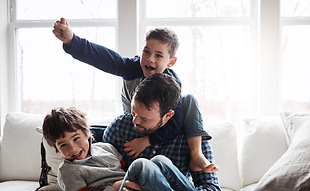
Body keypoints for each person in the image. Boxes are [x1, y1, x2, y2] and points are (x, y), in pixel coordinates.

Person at [42, 107, 239, 191]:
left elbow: (131, 178)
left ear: (87, 133)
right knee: (140, 165)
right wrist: (114, 188)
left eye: (76, 138)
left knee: (160, 161)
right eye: (63, 145)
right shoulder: (68, 172)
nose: (73, 148)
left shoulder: (107, 149)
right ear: (57, 149)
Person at [52, 17, 218, 173]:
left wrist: (146, 141)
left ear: (171, 62)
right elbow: (105, 58)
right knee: (90, 134)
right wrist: (72, 40)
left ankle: (196, 155)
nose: (149, 59)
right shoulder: (132, 68)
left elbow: (175, 123)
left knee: (189, 100)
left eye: (158, 55)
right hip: (130, 126)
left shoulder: (170, 85)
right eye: (146, 51)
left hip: (155, 130)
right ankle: (78, 171)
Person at [93, 73, 225, 191]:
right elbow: (101, 180)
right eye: (134, 112)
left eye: (144, 118)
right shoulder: (119, 128)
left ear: (168, 116)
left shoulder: (192, 138)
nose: (135, 121)